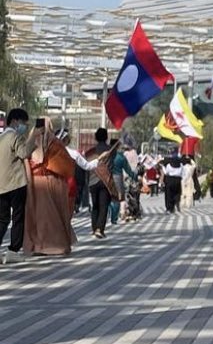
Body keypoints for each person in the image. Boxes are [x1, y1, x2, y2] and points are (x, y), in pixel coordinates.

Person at [25, 119, 77, 256]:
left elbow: (24, 160)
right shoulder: (55, 144)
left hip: (34, 184)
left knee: (38, 217)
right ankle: (56, 244)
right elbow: (67, 165)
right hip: (53, 183)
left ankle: (38, 245)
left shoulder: (30, 142)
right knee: (54, 216)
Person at [0, 109, 41, 265]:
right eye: (23, 122)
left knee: (2, 219)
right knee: (18, 217)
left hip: (1, 184)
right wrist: (34, 137)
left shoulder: (1, 137)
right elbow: (24, 153)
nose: (24, 125)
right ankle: (13, 250)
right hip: (16, 183)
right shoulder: (14, 136)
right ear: (15, 121)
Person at [84, 128, 122, 240]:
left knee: (95, 205)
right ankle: (99, 229)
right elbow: (113, 160)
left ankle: (94, 228)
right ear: (106, 137)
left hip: (92, 181)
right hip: (105, 181)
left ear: (96, 137)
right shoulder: (111, 151)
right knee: (103, 206)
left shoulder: (89, 152)